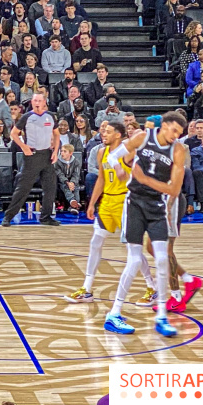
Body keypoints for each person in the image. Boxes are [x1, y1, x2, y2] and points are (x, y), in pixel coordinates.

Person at [103, 111, 187, 338]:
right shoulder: (142, 137)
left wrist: (144, 179)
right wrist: (120, 169)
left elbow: (174, 189)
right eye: (174, 131)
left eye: (180, 134)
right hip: (135, 204)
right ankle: (114, 314)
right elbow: (113, 157)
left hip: (158, 207)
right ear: (165, 126)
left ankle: (161, 316)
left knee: (161, 258)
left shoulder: (179, 150)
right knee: (133, 260)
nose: (176, 136)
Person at [65, 121, 157, 304]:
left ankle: (152, 287)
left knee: (133, 249)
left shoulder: (128, 152)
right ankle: (87, 288)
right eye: (102, 131)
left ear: (118, 135)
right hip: (107, 201)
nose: (103, 133)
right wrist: (92, 203)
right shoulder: (101, 152)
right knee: (95, 242)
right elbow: (101, 178)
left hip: (126, 201)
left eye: (107, 131)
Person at [2, 92, 60, 227]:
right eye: (35, 100)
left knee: (50, 188)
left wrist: (56, 151)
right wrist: (23, 147)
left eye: (39, 100)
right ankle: (8, 216)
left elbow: (56, 134)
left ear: (44, 102)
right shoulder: (27, 117)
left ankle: (46, 217)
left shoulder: (50, 116)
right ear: (32, 103)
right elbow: (13, 134)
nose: (37, 102)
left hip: (47, 156)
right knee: (23, 188)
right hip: (31, 156)